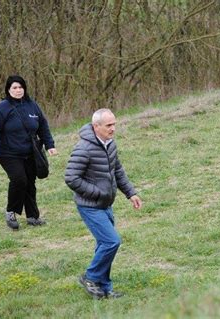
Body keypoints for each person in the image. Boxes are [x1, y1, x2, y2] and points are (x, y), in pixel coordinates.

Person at [65, 108, 142, 299]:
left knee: (104, 245)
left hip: (106, 204)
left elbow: (118, 171)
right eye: (109, 125)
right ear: (95, 126)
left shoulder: (110, 144)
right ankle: (90, 277)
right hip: (90, 206)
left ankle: (105, 289)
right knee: (111, 241)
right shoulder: (84, 148)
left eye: (114, 124)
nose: (113, 128)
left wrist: (130, 193)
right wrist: (96, 193)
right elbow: (71, 177)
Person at [0, 75, 57, 230]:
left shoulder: (32, 105)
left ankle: (32, 217)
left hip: (30, 151)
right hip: (8, 153)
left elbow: (43, 126)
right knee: (19, 180)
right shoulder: (2, 108)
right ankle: (11, 212)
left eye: (20, 87)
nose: (18, 91)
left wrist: (50, 145)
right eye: (14, 88)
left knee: (30, 183)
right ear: (8, 90)